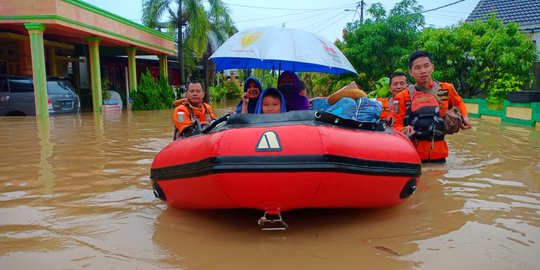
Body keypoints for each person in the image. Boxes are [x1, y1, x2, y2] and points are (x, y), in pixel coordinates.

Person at [392, 50, 472, 163]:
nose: (423, 71)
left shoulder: (447, 89)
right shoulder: (402, 97)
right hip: (412, 155)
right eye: (418, 68)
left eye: (426, 66)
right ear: (410, 72)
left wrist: (465, 117)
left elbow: (459, 103)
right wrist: (403, 129)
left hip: (439, 154)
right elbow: (396, 124)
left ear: (432, 67)